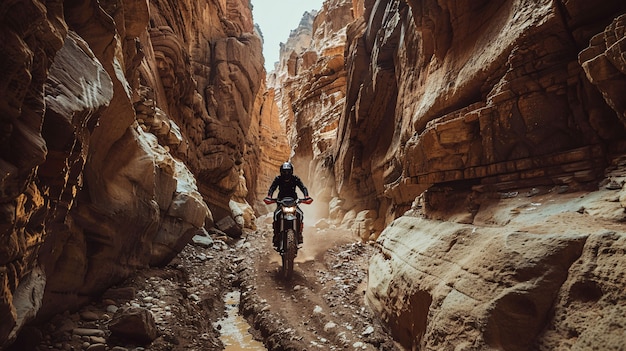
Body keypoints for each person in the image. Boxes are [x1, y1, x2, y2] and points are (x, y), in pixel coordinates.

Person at [264, 162, 312, 248]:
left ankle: (299, 234)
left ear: (291, 172)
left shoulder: (295, 179)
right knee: (276, 215)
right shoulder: (278, 179)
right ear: (281, 172)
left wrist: (306, 196)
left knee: (300, 214)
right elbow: (272, 188)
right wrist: (269, 196)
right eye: (284, 172)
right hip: (281, 201)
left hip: (293, 200)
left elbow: (302, 187)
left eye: (288, 172)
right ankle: (276, 235)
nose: (286, 174)